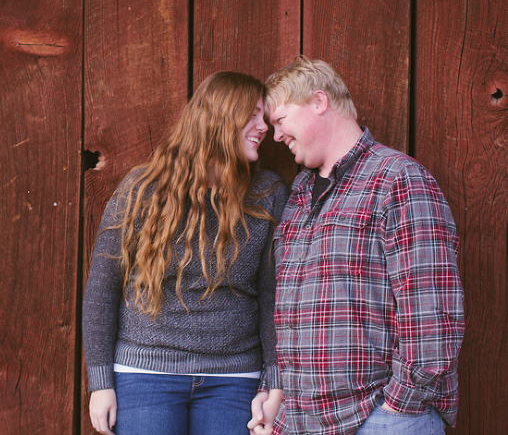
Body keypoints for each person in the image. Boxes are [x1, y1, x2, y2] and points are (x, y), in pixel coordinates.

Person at [248, 57, 464, 435]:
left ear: (319, 102)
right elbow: (287, 311)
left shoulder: (397, 179)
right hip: (301, 423)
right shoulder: (298, 194)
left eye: (280, 121)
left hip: (380, 419)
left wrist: (397, 410)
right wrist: (275, 398)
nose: (276, 136)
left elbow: (433, 313)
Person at [83, 72, 289, 435]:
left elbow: (275, 297)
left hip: (235, 379)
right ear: (220, 117)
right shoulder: (142, 189)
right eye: (254, 115)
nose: (265, 128)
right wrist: (100, 382)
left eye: (267, 118)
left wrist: (274, 383)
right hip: (146, 375)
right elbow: (102, 290)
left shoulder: (267, 193)